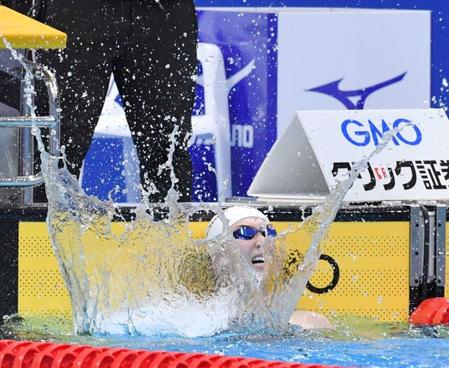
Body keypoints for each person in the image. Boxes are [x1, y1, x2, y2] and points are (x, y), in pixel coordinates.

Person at [2, 0, 197, 203]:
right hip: (78, 10)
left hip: (163, 13)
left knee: (167, 146)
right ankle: (38, 232)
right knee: (57, 145)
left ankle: (172, 230)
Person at [206, 206, 333, 330]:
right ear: (219, 254)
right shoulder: (199, 323)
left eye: (268, 233)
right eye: (246, 232)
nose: (263, 242)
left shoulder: (311, 324)